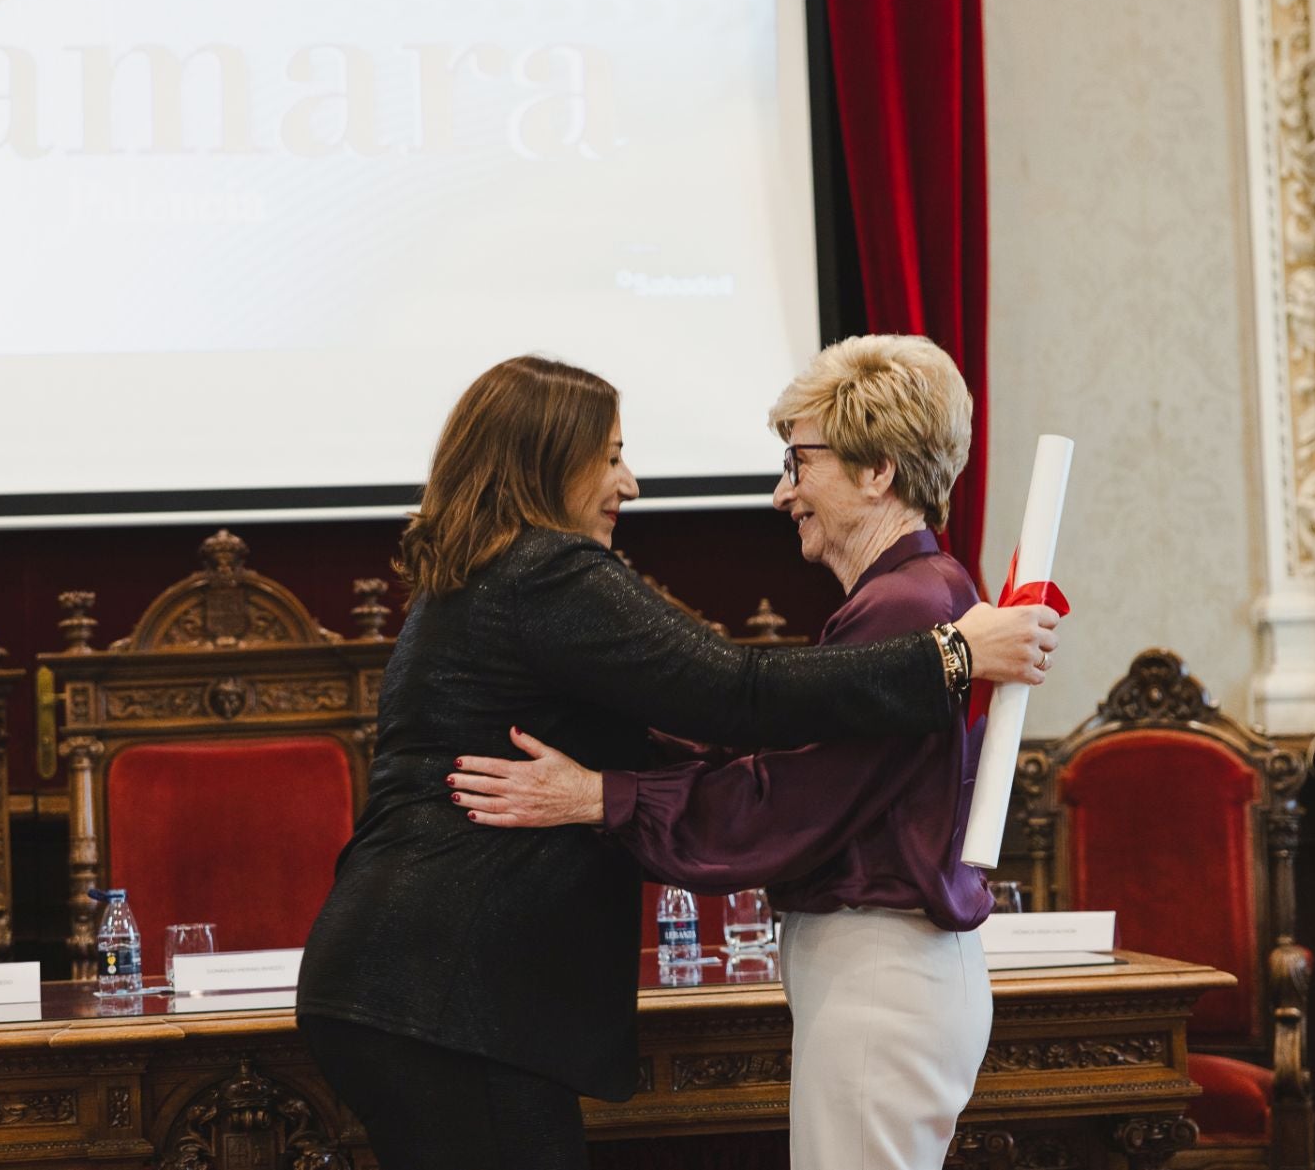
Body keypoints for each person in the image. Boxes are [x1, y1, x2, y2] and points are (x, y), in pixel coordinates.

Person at [295, 354, 1058, 1170]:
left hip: (421, 984)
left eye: (796, 463)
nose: (630, 483)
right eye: (612, 455)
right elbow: (739, 692)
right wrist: (949, 653)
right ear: (555, 459)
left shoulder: (491, 575)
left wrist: (603, 794)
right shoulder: (546, 572)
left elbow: (744, 751)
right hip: (443, 987)